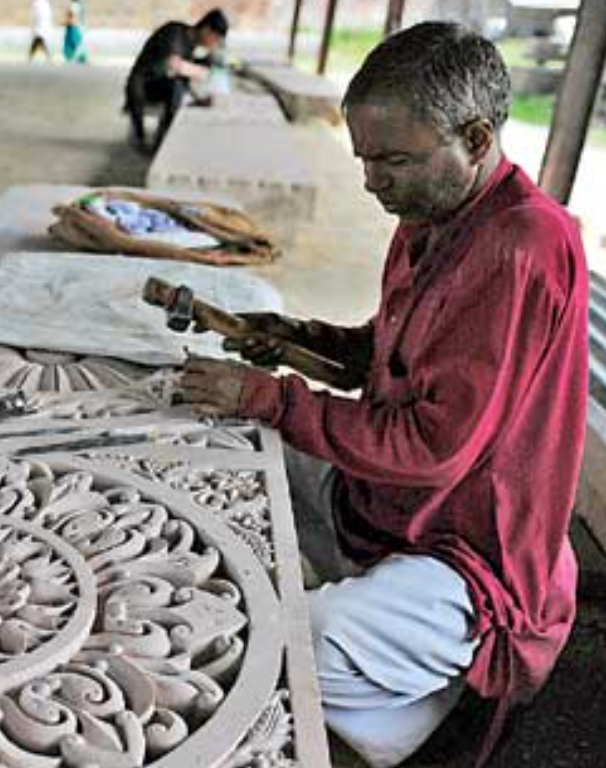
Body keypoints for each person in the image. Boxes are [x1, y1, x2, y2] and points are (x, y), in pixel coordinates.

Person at [179, 22, 586, 768]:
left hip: (478, 548)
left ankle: (435, 705)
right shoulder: (432, 214)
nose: (371, 181)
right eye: (365, 158)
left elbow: (432, 448)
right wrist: (294, 338)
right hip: (402, 506)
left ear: (477, 135)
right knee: (249, 460)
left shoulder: (524, 245)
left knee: (292, 645)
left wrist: (269, 395)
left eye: (393, 159)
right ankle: (391, 668)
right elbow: (391, 354)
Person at [124, 8, 228, 152]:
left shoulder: (191, 45)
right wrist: (203, 72)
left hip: (161, 85)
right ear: (206, 30)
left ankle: (162, 137)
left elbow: (183, 76)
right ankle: (162, 139)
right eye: (216, 39)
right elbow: (174, 65)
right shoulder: (175, 32)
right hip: (142, 87)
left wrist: (199, 100)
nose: (214, 44)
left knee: (198, 68)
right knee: (176, 84)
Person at [62, 0, 87, 65]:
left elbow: (72, 19)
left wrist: (64, 23)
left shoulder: (74, 5)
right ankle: (80, 59)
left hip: (74, 28)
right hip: (78, 27)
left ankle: (77, 58)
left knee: (73, 45)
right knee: (78, 45)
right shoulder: (80, 5)